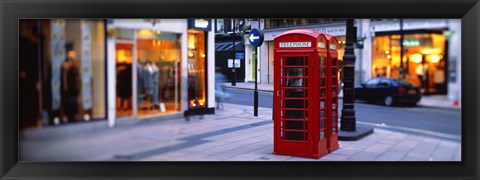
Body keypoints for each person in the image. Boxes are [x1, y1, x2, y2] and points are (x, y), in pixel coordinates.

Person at [61, 43, 81, 122]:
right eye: (71, 54)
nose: (73, 56)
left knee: (73, 104)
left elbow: (77, 77)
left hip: (74, 89)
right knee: (68, 104)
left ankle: (72, 116)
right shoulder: (66, 65)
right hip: (68, 90)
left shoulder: (74, 66)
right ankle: (68, 116)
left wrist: (78, 87)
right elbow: (64, 77)